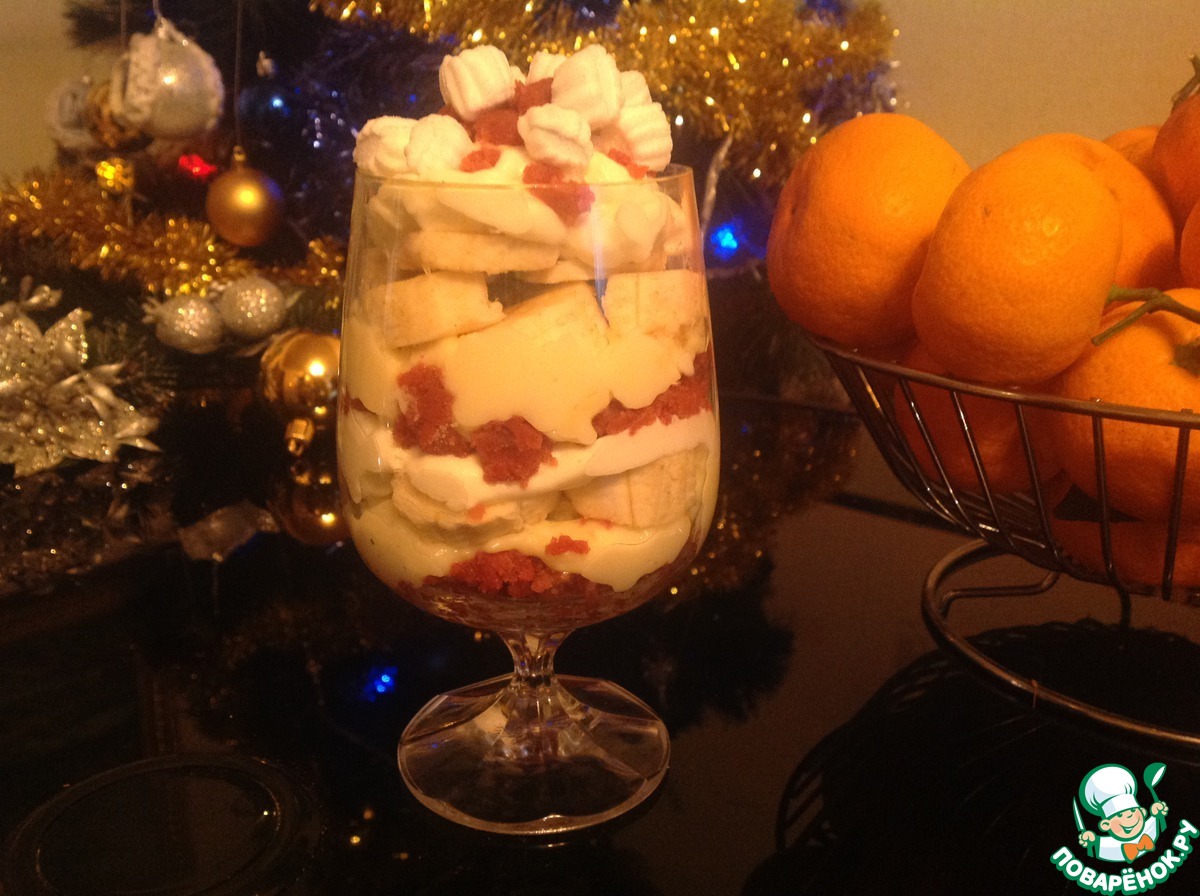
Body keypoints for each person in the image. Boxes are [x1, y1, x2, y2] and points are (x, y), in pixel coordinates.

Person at [1078, 764, 1169, 863]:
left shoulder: (1151, 828)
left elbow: (1160, 825)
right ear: (1105, 825)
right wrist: (1091, 841)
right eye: (1120, 815)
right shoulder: (1107, 846)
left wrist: (1158, 813)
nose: (1129, 817)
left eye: (1133, 811)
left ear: (1143, 812)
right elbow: (1094, 849)